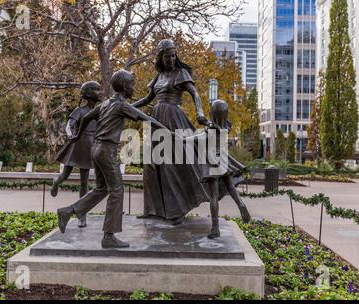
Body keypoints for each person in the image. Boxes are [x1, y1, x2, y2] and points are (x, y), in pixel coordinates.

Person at [57, 69, 170, 249]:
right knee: (117, 190)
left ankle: (68, 211)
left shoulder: (107, 103)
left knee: (102, 188)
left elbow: (86, 117)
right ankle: (108, 237)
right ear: (125, 87)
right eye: (132, 84)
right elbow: (145, 117)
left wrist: (77, 136)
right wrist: (168, 132)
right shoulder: (120, 105)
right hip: (107, 151)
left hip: (96, 149)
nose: (133, 87)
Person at [132, 38, 216, 225]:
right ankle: (152, 210)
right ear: (160, 57)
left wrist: (200, 113)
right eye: (168, 56)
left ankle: (176, 211)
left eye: (173, 55)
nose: (171, 59)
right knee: (151, 164)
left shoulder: (181, 72)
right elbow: (147, 99)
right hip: (156, 119)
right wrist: (126, 107)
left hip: (173, 117)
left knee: (172, 164)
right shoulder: (158, 77)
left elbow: (194, 93)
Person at [180, 100, 252, 239]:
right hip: (223, 161)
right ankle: (241, 205)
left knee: (214, 196)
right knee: (231, 187)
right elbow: (212, 126)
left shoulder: (211, 131)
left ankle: (215, 228)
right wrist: (206, 122)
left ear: (212, 114)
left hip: (213, 163)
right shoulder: (226, 127)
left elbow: (199, 137)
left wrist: (184, 139)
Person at [51, 81, 101, 228]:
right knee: (65, 175)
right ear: (89, 93)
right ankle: (56, 182)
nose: (100, 92)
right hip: (77, 144)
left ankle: (82, 215)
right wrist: (70, 135)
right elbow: (69, 125)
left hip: (90, 146)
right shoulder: (79, 111)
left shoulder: (98, 111)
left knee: (84, 183)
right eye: (96, 90)